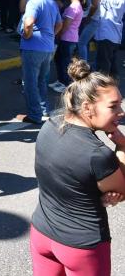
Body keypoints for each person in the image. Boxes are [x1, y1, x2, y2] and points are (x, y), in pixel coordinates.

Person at [30, 60, 125, 276]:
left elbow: (67, 179)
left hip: (41, 234)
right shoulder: (98, 155)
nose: (121, 112)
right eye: (113, 106)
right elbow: (123, 189)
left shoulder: (50, 125)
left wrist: (96, 191)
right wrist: (122, 145)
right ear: (86, 107)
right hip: (82, 247)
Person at [19, 0, 62, 125]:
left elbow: (28, 23)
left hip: (33, 48)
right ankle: (43, 109)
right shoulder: (50, 1)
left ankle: (35, 114)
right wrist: (50, 35)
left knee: (30, 82)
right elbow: (59, 24)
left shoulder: (33, 2)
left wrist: (27, 35)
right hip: (47, 47)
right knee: (42, 81)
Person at [51, 0, 84, 93]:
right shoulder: (74, 5)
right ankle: (61, 81)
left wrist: (58, 35)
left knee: (64, 61)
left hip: (67, 38)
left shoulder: (73, 7)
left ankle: (65, 84)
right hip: (68, 38)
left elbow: (66, 25)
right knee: (59, 59)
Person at [93, 0, 125, 78]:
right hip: (116, 36)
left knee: (103, 65)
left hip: (106, 35)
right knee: (112, 64)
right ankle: (114, 85)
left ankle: (103, 86)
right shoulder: (123, 0)